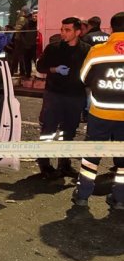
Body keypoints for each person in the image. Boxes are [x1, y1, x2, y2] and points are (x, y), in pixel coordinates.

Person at [71, 12, 124, 211]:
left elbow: (83, 77)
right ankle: (120, 198)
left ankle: (83, 195)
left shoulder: (98, 51)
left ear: (111, 28)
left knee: (91, 157)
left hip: (101, 113)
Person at [35, 17, 91, 179]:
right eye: (62, 29)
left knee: (69, 131)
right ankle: (44, 164)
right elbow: (40, 67)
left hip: (75, 97)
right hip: (54, 96)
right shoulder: (54, 48)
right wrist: (54, 69)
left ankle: (64, 163)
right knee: (48, 130)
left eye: (67, 30)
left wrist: (88, 95)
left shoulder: (87, 50)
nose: (63, 33)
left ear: (78, 32)